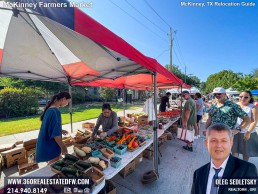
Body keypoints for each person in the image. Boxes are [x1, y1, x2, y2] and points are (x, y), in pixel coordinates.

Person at [191, 123, 258, 194]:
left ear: (231, 144)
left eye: (224, 141)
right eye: (213, 140)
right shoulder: (199, 173)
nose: (219, 145)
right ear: (206, 143)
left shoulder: (246, 170)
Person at [36, 92, 71, 165]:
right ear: (64, 99)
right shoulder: (55, 112)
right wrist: (63, 147)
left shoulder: (50, 109)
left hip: (45, 142)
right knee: (51, 167)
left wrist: (60, 130)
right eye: (68, 101)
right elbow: (55, 135)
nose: (67, 104)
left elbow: (51, 126)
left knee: (51, 164)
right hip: (50, 144)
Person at [232, 91, 258, 161]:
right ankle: (235, 167)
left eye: (246, 97)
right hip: (235, 132)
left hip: (247, 133)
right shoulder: (235, 105)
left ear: (250, 98)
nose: (243, 98)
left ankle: (244, 167)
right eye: (241, 96)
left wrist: (248, 132)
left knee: (246, 153)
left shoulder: (253, 107)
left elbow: (254, 121)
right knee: (234, 151)